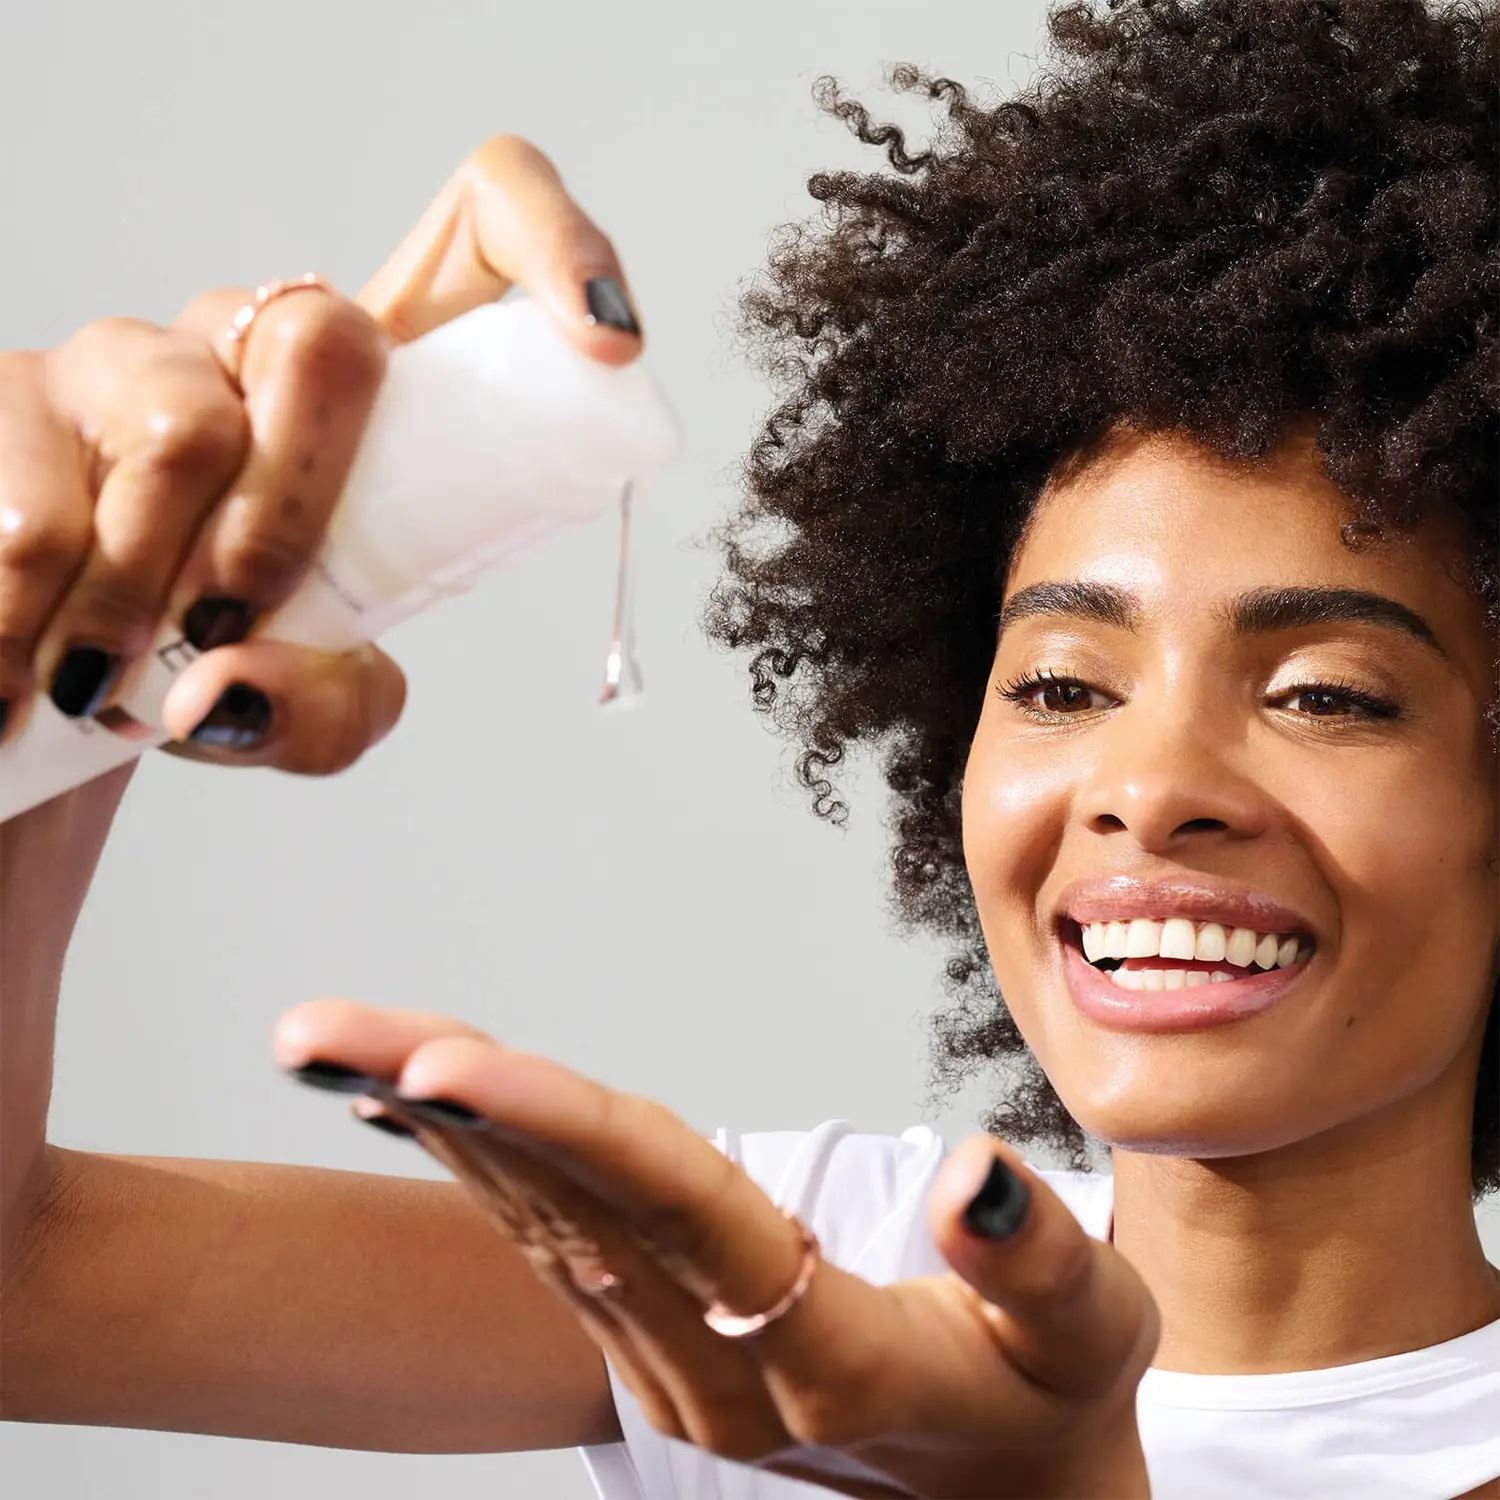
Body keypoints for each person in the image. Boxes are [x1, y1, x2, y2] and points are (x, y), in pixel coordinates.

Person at [2, 0, 1497, 1495]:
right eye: (1060, 686)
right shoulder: (789, 1270)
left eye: (1327, 696)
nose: (1149, 789)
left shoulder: (776, 1321)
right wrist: (101, 650)